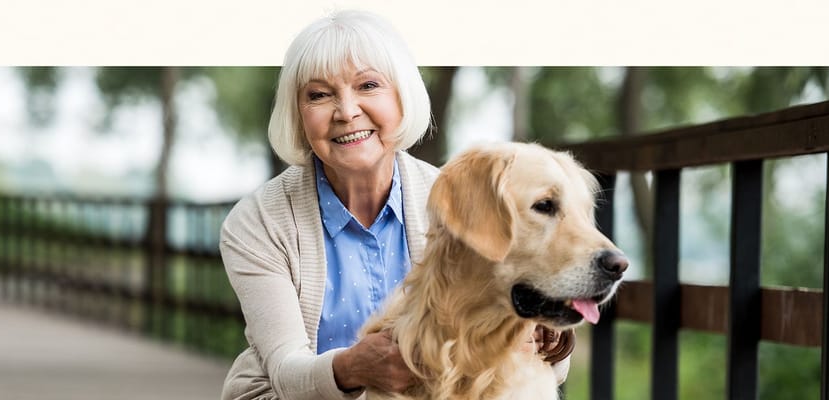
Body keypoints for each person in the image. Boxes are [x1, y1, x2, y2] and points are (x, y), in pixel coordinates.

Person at [219, 10, 573, 400]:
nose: (347, 111)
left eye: (368, 85)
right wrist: (353, 367)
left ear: (403, 96)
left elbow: (527, 345)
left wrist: (549, 337)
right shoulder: (259, 221)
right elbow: (286, 374)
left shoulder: (458, 203)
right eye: (319, 95)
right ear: (297, 114)